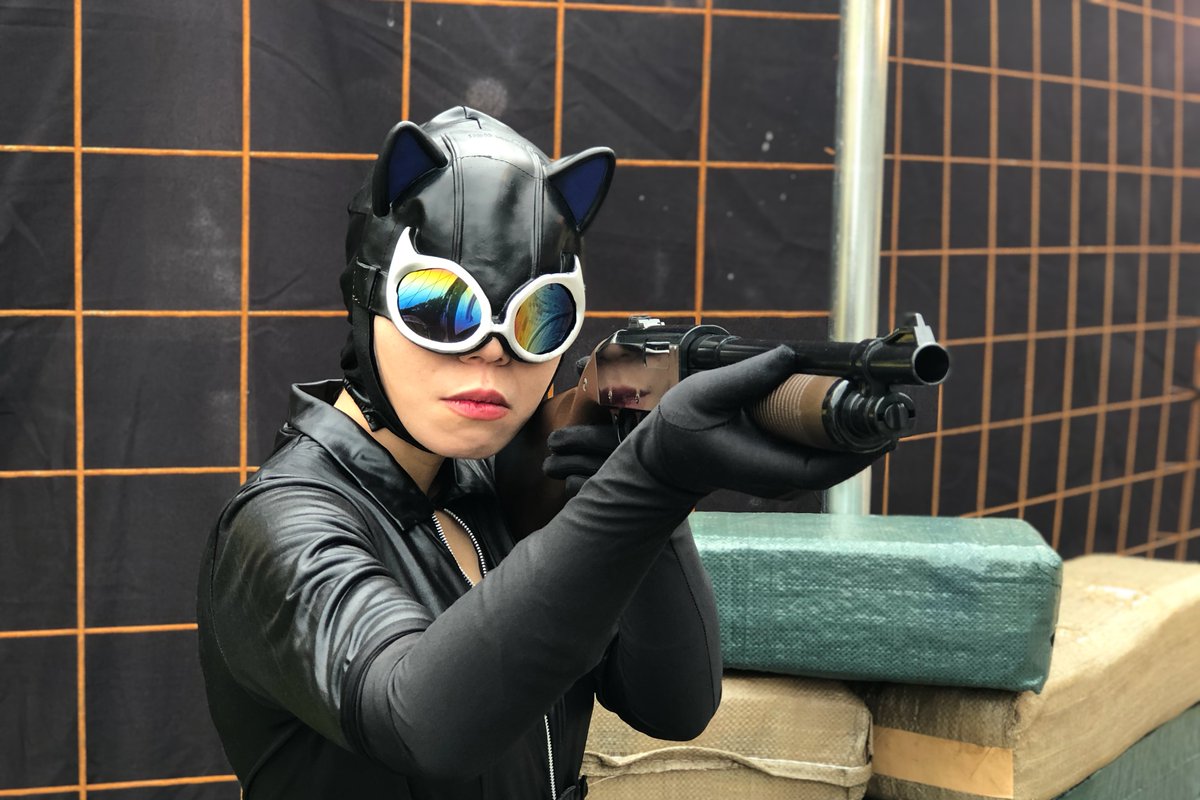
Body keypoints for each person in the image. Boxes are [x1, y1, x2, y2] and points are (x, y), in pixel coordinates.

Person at [197, 106, 881, 800]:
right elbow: (420, 723)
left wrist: (655, 506)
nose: (492, 350)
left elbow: (674, 705)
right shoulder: (280, 526)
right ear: (366, 302)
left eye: (538, 316)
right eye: (441, 307)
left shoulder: (500, 490)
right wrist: (646, 479)